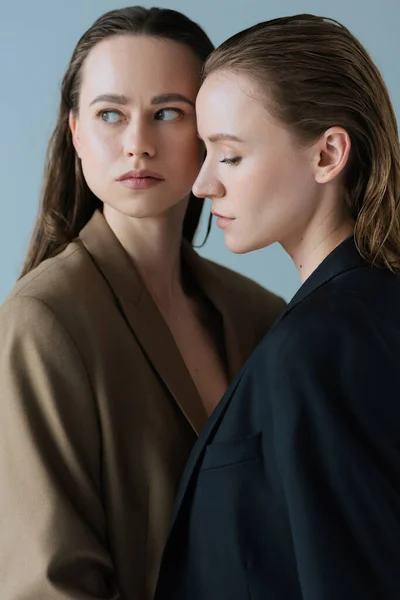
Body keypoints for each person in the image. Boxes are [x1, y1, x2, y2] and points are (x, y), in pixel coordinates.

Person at [0, 7, 285, 600]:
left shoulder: (264, 316)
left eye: (167, 113)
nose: (137, 144)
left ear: (211, 130)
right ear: (76, 131)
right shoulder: (44, 320)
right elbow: (49, 583)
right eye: (110, 114)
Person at [155, 13, 400, 600]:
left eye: (230, 156)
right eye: (205, 153)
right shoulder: (365, 315)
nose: (202, 184)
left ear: (327, 154)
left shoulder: (320, 345)